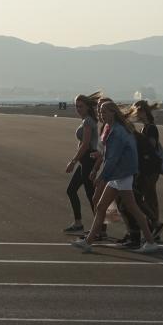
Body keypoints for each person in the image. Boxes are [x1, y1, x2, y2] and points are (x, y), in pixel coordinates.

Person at [71, 99, 157, 254]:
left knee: (131, 208)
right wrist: (99, 155)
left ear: (113, 113)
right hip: (119, 174)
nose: (100, 114)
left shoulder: (117, 131)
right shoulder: (111, 128)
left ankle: (150, 239)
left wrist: (101, 177)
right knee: (104, 206)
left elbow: (113, 159)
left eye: (104, 111)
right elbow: (109, 153)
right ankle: (89, 241)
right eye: (99, 111)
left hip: (122, 174)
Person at [63, 93, 100, 235]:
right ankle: (78, 223)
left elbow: (85, 144)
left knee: (92, 195)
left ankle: (100, 229)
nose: (78, 109)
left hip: (88, 160)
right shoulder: (86, 120)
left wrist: (73, 161)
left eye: (81, 106)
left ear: (88, 107)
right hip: (85, 161)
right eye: (76, 106)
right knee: (71, 190)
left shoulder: (88, 122)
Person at [128, 99, 163, 240]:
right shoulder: (146, 127)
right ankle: (154, 226)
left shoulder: (150, 128)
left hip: (150, 168)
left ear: (142, 112)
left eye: (137, 112)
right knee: (149, 197)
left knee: (146, 198)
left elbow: (151, 147)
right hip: (149, 168)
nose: (135, 115)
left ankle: (155, 225)